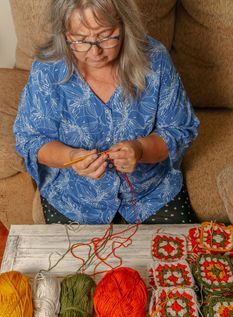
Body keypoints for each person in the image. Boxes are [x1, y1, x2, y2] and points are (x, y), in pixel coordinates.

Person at [14, 0, 199, 225]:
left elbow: (180, 130)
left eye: (105, 36)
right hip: (74, 199)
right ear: (64, 34)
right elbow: (30, 139)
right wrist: (70, 158)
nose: (95, 51)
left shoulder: (155, 59)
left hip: (151, 195)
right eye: (80, 40)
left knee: (184, 257)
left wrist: (140, 150)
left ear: (125, 25)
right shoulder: (48, 68)